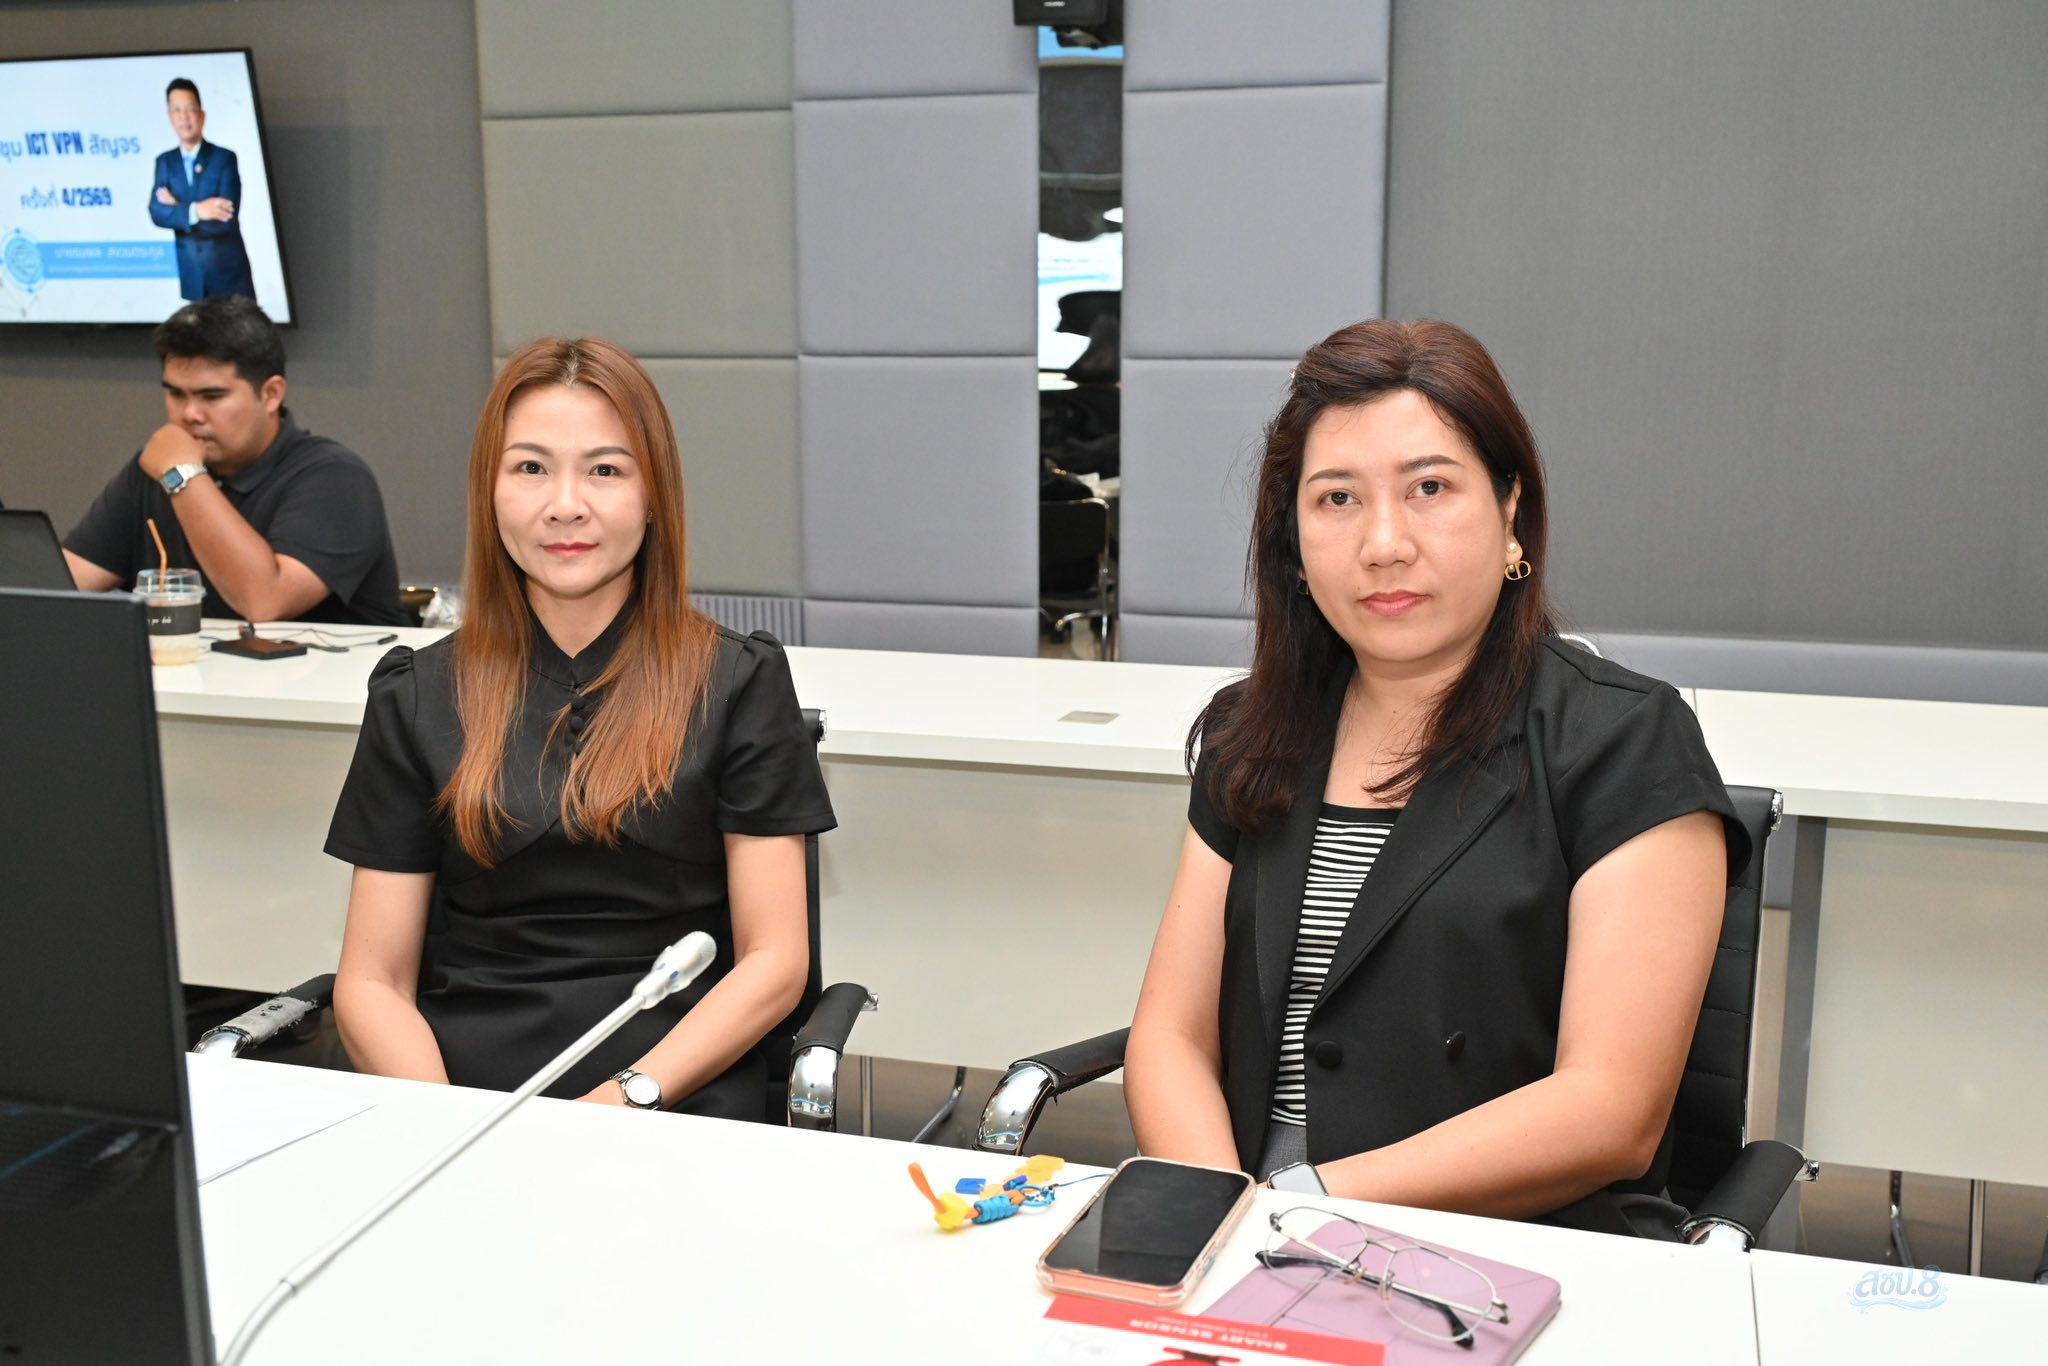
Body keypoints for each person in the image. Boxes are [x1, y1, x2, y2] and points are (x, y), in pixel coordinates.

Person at [1122, 319, 1748, 1238]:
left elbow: (1610, 1110)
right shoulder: (1250, 733)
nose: (1384, 543)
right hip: (1255, 1236)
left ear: (1511, 513)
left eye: (1430, 488)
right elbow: (1171, 1035)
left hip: (1510, 1251)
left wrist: (1302, 1207)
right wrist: (1216, 1213)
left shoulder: (1624, 740)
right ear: (1293, 542)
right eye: (1338, 498)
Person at [324, 337, 834, 1117]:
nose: (565, 504)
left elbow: (775, 962)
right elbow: (372, 981)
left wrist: (625, 1101)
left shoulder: (737, 682)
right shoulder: (416, 694)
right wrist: (442, 1126)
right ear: (489, 491)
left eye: (605, 470)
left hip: (673, 1086)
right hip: (460, 1093)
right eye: (531, 468)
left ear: (654, 494)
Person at [62, 296, 406, 626]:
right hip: (186, 667)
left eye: (212, 396)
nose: (189, 414)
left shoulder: (336, 477)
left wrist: (182, 475)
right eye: (176, 393)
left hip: (328, 669)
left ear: (271, 394)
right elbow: (63, 587)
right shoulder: (157, 470)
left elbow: (264, 602)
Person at [149, 78, 257, 303]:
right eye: (176, 110)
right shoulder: (165, 162)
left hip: (229, 277)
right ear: (169, 117)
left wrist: (178, 209)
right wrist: (197, 210)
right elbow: (157, 213)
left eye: (190, 109)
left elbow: (225, 220)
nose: (184, 117)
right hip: (193, 278)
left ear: (202, 115)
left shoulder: (224, 158)